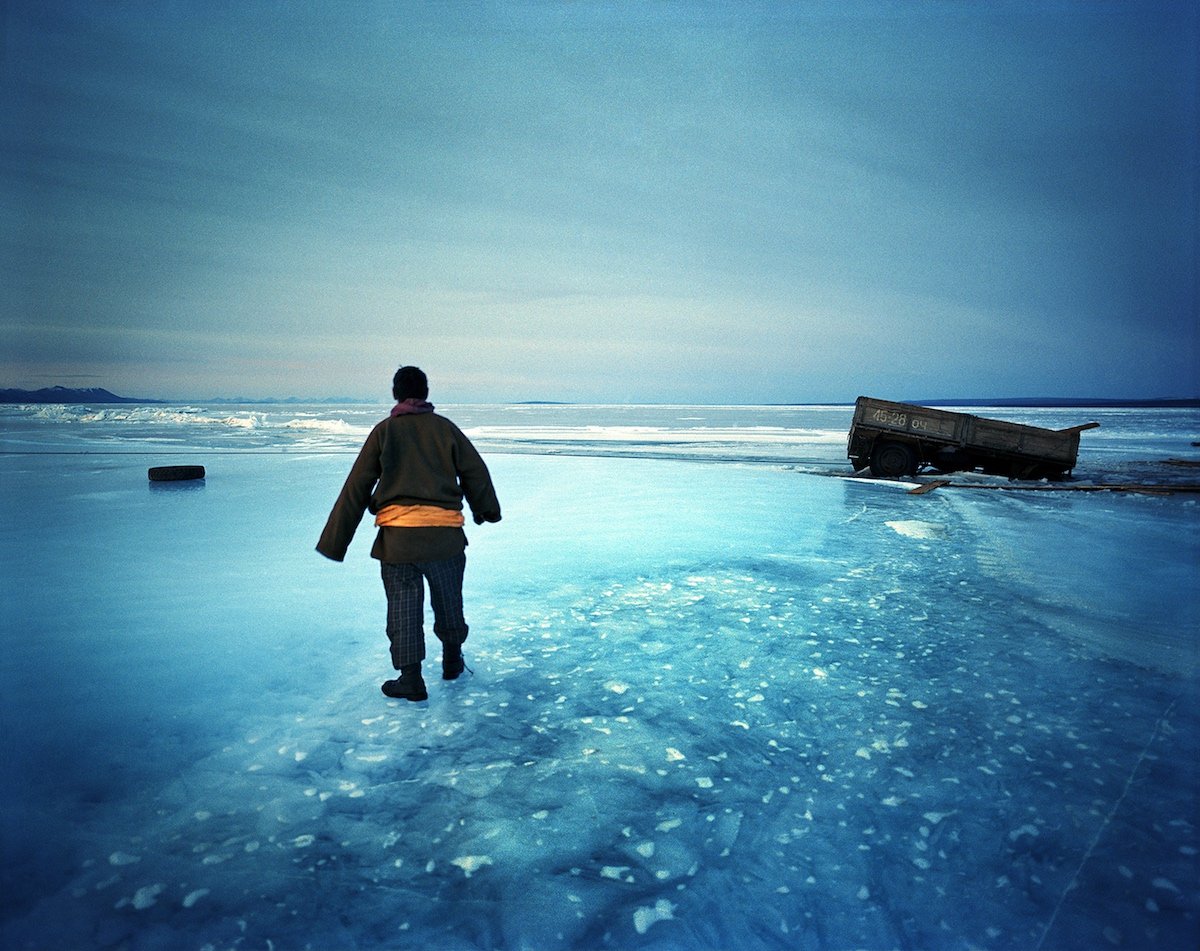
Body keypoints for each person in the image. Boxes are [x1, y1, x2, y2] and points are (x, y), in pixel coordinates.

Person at [316, 366, 501, 701]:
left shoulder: (384, 432)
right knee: (449, 603)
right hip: (445, 541)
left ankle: (411, 679)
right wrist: (486, 510)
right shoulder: (446, 430)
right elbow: (475, 470)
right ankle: (452, 660)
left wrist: (335, 540)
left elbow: (356, 486)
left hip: (398, 544)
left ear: (395, 393)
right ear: (426, 393)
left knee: (403, 610)